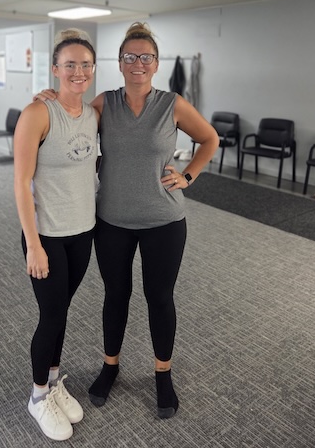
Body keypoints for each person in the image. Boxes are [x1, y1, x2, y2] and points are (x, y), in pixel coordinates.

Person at [36, 22, 219, 419]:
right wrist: (49, 97)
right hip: (112, 221)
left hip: (164, 221)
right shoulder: (105, 103)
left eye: (146, 57)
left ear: (156, 63)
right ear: (119, 63)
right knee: (115, 295)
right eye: (130, 57)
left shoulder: (172, 104)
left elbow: (210, 139)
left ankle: (162, 374)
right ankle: (110, 366)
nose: (138, 63)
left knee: (160, 298)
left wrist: (188, 176)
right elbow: (71, 116)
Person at [14, 29, 99, 441]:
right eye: (69, 65)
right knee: (51, 316)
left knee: (62, 311)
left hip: (82, 232)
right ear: (55, 69)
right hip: (46, 235)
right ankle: (37, 396)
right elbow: (20, 183)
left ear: (93, 69)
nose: (78, 71)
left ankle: (52, 381)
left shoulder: (94, 114)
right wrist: (33, 244)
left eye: (85, 64)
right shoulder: (38, 113)